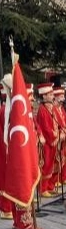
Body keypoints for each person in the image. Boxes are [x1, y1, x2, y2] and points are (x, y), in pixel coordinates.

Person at [35, 82, 59, 198]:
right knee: (46, 164)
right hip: (47, 142)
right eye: (49, 94)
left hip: (53, 141)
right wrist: (54, 135)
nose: (52, 96)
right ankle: (42, 188)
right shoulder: (42, 110)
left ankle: (49, 186)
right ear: (43, 96)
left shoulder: (52, 108)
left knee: (51, 164)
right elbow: (45, 127)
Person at [53, 87, 66, 188]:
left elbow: (65, 121)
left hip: (65, 136)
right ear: (56, 98)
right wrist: (61, 132)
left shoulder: (63, 109)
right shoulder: (54, 109)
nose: (63, 98)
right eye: (61, 96)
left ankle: (64, 177)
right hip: (59, 137)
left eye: (63, 96)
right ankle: (56, 179)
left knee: (64, 157)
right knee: (58, 159)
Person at [0, 85, 12, 219]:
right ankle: (5, 208)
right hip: (4, 148)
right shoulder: (5, 110)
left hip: (6, 146)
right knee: (4, 177)